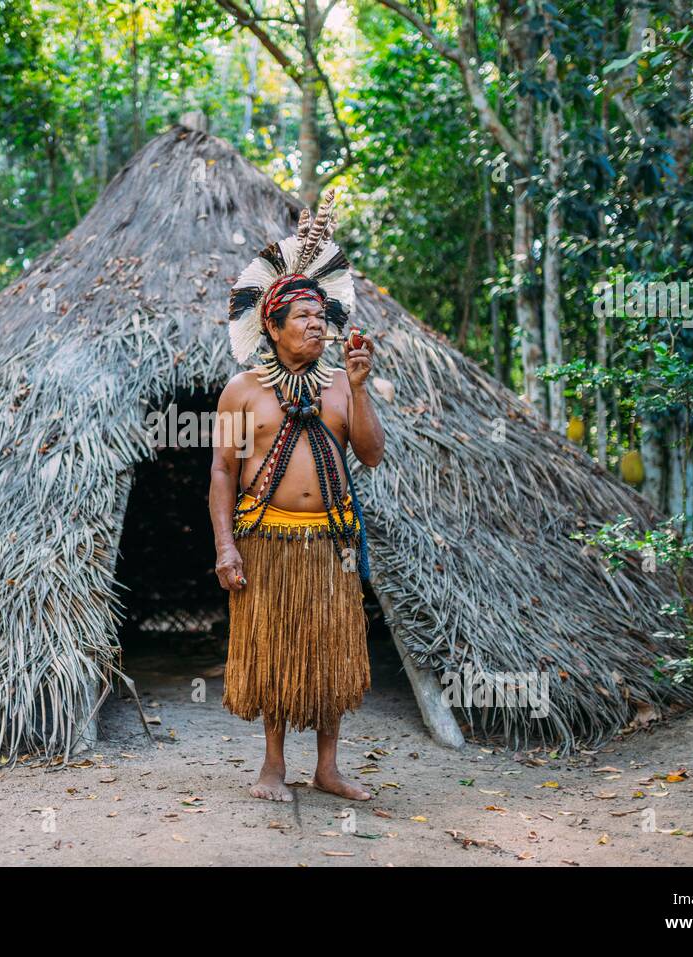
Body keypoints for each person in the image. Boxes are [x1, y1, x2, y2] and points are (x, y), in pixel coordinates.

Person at [209, 191, 385, 802]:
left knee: (331, 653)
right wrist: (225, 548)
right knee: (278, 651)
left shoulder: (341, 385)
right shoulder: (241, 392)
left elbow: (369, 455)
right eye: (303, 318)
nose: (317, 325)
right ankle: (272, 767)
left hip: (332, 544)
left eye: (321, 316)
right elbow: (223, 474)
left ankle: (329, 768)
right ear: (273, 326)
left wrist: (360, 392)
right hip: (267, 543)